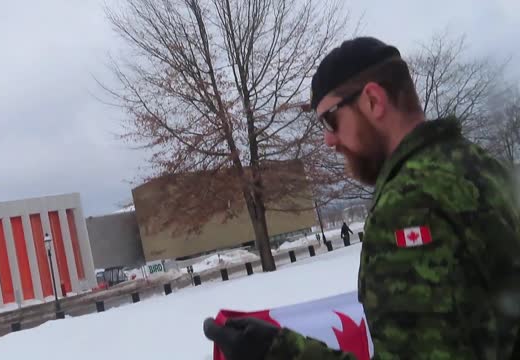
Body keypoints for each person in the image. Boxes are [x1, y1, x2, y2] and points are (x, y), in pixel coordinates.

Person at [203, 36, 520, 359]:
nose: (328, 140)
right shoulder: (489, 169)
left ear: (372, 100)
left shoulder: (408, 206)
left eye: (330, 119)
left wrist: (278, 354)